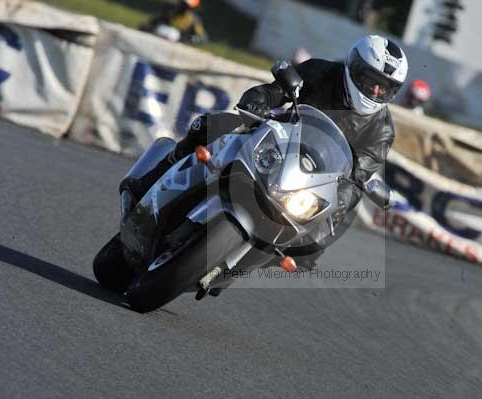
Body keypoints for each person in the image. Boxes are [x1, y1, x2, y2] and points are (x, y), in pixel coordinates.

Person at [120, 35, 408, 287]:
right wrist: (257, 101)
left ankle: (241, 264)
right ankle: (149, 180)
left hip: (310, 179)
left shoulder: (381, 131)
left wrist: (337, 204)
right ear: (355, 68)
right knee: (209, 126)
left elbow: (357, 178)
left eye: (386, 88)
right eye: (372, 82)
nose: (377, 92)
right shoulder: (321, 71)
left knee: (324, 227)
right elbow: (274, 90)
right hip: (274, 140)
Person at [140, 0, 207, 44]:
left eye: (186, 6)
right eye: (182, 4)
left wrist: (185, 40)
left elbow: (202, 38)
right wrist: (148, 28)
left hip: (177, 48)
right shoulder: (169, 12)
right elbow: (149, 23)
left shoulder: (193, 20)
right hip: (157, 41)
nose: (183, 7)